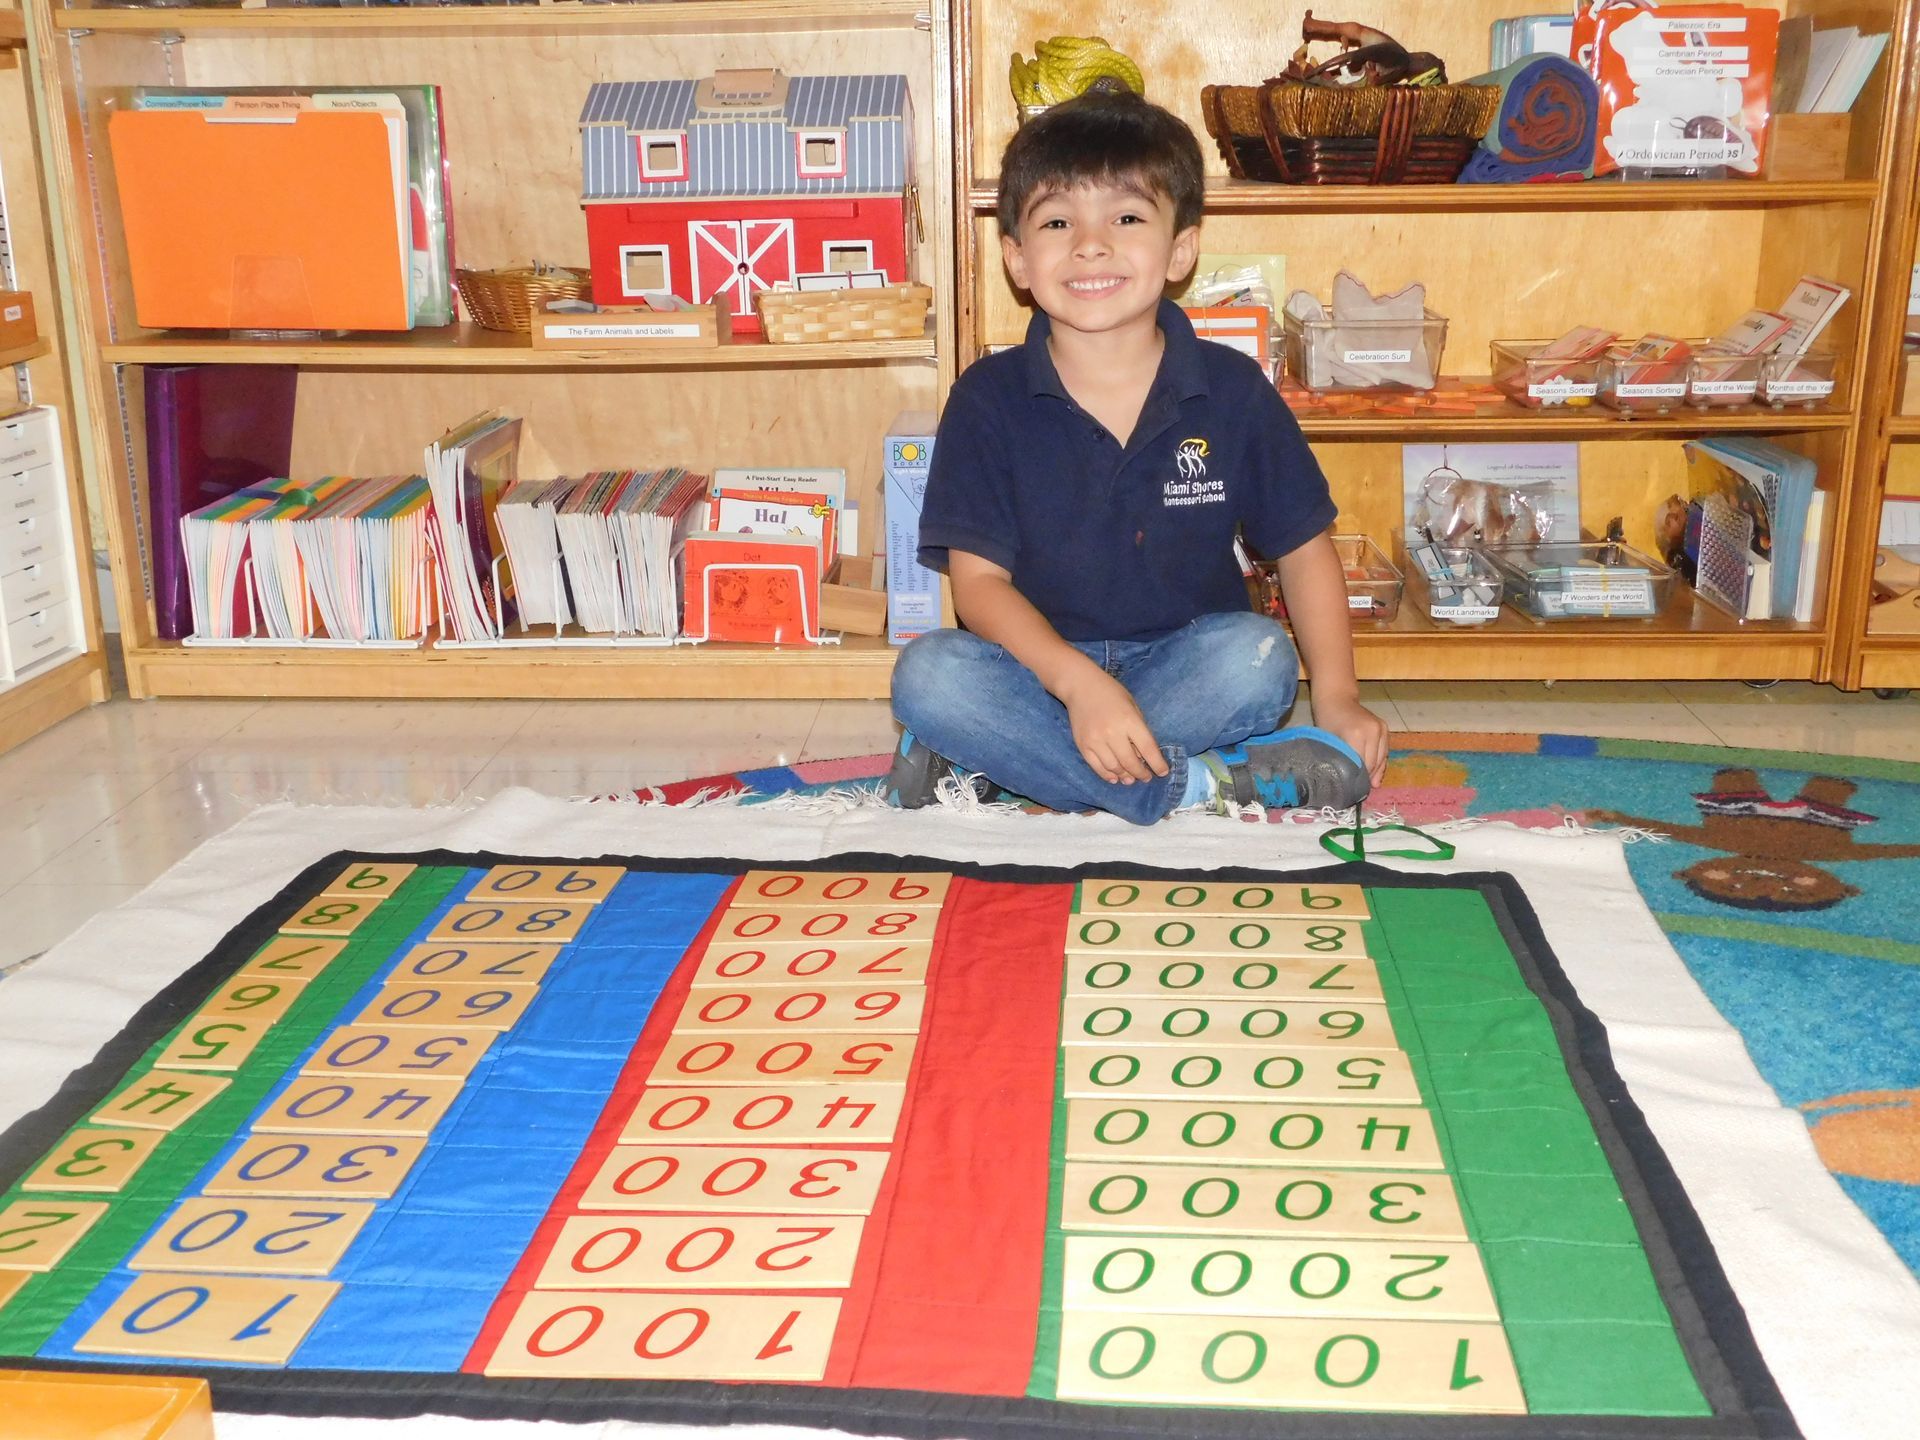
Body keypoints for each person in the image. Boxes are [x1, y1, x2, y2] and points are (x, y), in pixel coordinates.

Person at [885, 90, 1389, 824]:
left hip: (1184, 668)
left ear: (1181, 248)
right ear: (1017, 259)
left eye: (1126, 218)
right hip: (1036, 673)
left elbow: (1305, 551)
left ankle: (1001, 763)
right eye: (1058, 222)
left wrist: (1338, 697)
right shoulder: (987, 397)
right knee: (929, 675)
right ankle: (1198, 788)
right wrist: (1080, 686)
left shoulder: (1231, 388)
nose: (1091, 245)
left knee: (1259, 660)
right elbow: (978, 588)